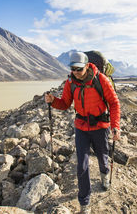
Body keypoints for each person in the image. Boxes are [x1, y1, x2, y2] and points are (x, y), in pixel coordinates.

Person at [45, 51, 121, 214]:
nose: (76, 72)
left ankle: (104, 175)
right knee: (82, 165)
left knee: (103, 156)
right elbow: (65, 103)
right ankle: (84, 203)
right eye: (73, 69)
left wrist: (115, 126)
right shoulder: (70, 83)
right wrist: (53, 101)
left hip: (101, 127)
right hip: (81, 127)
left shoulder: (101, 80)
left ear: (87, 66)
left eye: (79, 69)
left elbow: (114, 103)